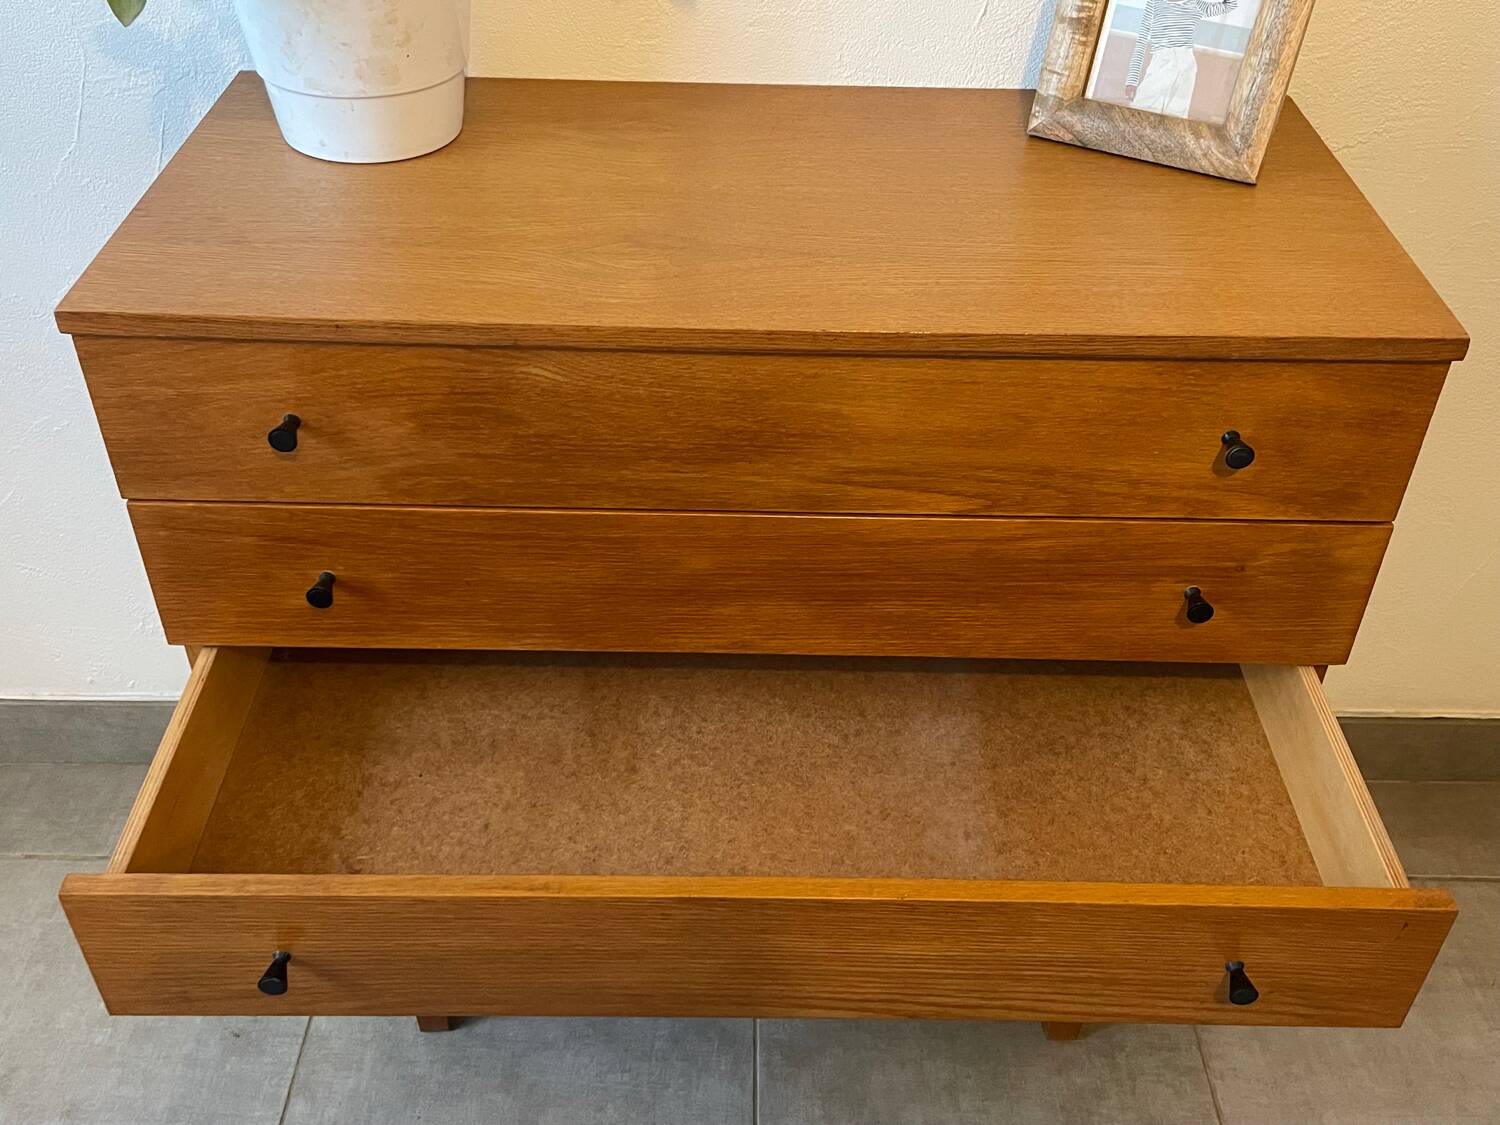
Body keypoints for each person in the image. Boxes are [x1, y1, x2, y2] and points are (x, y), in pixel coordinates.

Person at [1124, 0, 1239, 119]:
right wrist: (1131, 81)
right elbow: (1141, 41)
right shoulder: (1154, 2)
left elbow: (1230, 5)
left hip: (1185, 67)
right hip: (1160, 63)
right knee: (1141, 113)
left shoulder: (1196, 3)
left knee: (1175, 117)